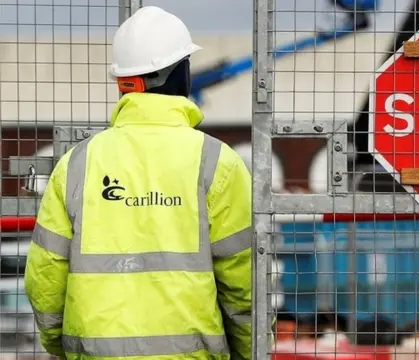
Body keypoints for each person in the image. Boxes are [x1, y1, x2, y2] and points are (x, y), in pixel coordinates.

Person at [23, 6, 252, 360]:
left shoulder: (77, 165)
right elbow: (242, 282)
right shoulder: (216, 162)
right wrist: (247, 348)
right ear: (180, 75)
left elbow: (46, 276)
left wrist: (60, 343)